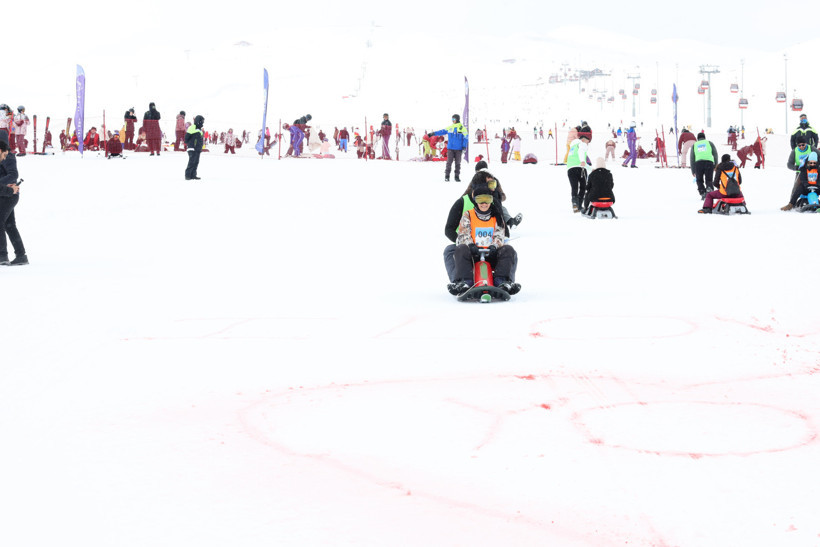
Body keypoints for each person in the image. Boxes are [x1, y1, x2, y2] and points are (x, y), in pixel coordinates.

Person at [447, 181, 520, 296]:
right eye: (480, 200)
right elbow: (463, 233)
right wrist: (470, 245)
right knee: (461, 249)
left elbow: (499, 234)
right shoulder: (468, 215)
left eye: (487, 200)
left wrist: (494, 246)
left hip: (491, 253)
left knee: (508, 250)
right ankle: (465, 282)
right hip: (473, 254)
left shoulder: (496, 216)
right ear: (475, 201)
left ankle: (502, 281)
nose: (484, 204)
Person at [0, 140, 27, 265]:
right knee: (9, 225)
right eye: (4, 155)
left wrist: (9, 188)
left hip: (8, 196)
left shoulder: (9, 157)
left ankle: (2, 255)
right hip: (6, 193)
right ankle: (21, 255)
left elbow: (13, 174)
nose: (4, 158)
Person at [429, 113, 469, 182]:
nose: (453, 120)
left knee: (458, 163)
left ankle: (457, 176)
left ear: (457, 119)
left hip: (458, 149)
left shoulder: (462, 128)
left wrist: (464, 146)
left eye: (454, 119)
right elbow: (442, 131)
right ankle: (447, 176)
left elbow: (466, 138)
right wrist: (433, 133)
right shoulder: (450, 127)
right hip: (450, 148)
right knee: (449, 162)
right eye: (452, 119)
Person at [689, 132, 719, 199]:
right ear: (704, 137)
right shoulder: (709, 143)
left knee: (699, 180)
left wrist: (693, 170)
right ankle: (709, 189)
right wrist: (716, 165)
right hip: (709, 162)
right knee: (709, 179)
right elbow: (715, 154)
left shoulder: (695, 145)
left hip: (698, 163)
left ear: (697, 138)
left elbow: (692, 158)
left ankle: (702, 192)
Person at [567, 132, 591, 212]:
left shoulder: (572, 148)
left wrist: (591, 169)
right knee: (583, 187)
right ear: (583, 140)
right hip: (580, 169)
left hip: (570, 169)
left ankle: (575, 203)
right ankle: (580, 205)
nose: (587, 144)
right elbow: (581, 152)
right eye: (587, 142)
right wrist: (582, 160)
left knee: (574, 187)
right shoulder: (582, 144)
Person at [184, 115, 204, 180]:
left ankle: (193, 175)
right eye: (202, 121)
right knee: (191, 162)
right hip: (192, 148)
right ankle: (187, 175)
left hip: (198, 149)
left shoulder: (200, 129)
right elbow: (186, 138)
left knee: (196, 162)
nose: (202, 123)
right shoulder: (192, 127)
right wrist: (191, 144)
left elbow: (200, 140)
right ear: (198, 121)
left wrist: (200, 147)